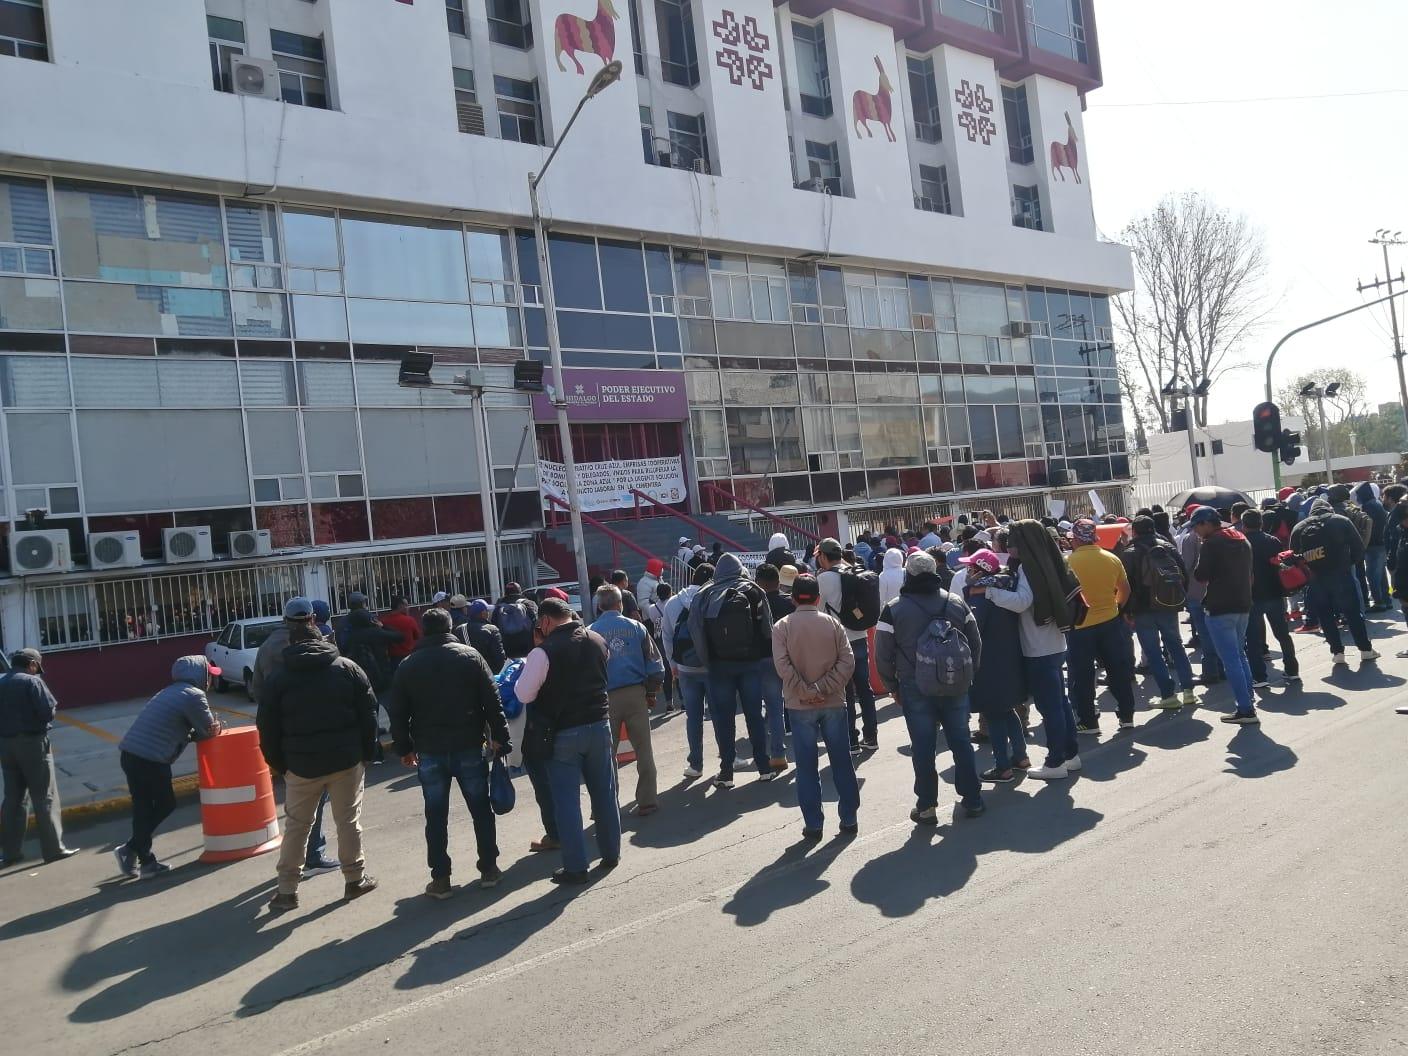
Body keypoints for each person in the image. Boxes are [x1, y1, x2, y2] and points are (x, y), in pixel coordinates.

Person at [388, 607, 510, 899]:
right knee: (480, 808)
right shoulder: (469, 657)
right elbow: (492, 699)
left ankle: (440, 878)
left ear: (425, 630)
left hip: (430, 750)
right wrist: (499, 738)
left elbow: (398, 712)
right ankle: (489, 868)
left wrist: (404, 748)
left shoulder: (409, 664)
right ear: (450, 627)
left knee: (436, 815)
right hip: (469, 743)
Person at [258, 622, 379, 911]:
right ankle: (354, 880)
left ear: (291, 644)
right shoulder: (347, 668)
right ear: (321, 638)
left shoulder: (279, 678)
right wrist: (366, 753)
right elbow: (369, 713)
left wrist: (279, 764)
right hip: (346, 761)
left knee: (297, 827)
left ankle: (287, 891)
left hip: (300, 765)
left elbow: (267, 727)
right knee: (348, 821)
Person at [513, 598, 620, 885]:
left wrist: (537, 650)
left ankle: (576, 867)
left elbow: (523, 694)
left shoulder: (543, 653)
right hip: (599, 725)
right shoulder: (597, 639)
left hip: (562, 734)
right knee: (605, 794)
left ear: (546, 621)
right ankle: (611, 854)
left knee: (566, 802)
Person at [876, 552, 985, 823]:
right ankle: (972, 799)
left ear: (908, 575)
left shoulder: (894, 608)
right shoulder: (957, 602)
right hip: (956, 684)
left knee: (923, 747)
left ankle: (927, 806)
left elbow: (882, 654)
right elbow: (976, 643)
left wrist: (892, 686)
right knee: (961, 742)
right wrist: (968, 675)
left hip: (915, 687)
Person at [985, 520, 1081, 780]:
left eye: (1013, 541)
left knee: (1050, 708)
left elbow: (1022, 602)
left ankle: (1055, 762)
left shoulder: (1029, 568)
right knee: (1060, 704)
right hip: (1055, 643)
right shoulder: (1053, 560)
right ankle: (1071, 755)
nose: (1009, 546)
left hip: (1038, 647)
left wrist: (991, 592)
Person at [252, 597, 339, 877]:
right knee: (318, 801)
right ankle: (312, 856)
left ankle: (296, 863)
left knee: (298, 804)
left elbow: (258, 691)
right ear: (312, 619)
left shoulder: (267, 647)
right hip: (317, 732)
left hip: (286, 735)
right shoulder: (318, 645)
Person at [115, 656, 223, 878]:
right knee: (166, 803)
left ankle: (144, 860)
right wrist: (216, 728)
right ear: (200, 675)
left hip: (131, 755)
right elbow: (207, 731)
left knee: (143, 808)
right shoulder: (194, 696)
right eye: (209, 675)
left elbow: (183, 729)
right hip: (151, 760)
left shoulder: (169, 691)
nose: (211, 680)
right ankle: (132, 848)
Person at [771, 574, 858, 839]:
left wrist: (806, 690)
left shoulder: (782, 627)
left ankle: (814, 823)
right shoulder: (833, 624)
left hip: (799, 705)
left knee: (807, 767)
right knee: (842, 760)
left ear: (794, 598)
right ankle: (849, 817)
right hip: (832, 701)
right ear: (818, 598)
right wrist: (824, 687)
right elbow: (847, 661)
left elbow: (782, 666)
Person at [688, 553, 774, 788]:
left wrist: (708, 661)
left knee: (724, 719)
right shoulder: (754, 590)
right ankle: (764, 767)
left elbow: (695, 630)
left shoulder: (704, 594)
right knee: (754, 716)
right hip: (750, 664)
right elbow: (768, 628)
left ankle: (726, 772)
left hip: (719, 666)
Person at [590, 585, 663, 815]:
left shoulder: (589, 633)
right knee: (644, 750)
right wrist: (651, 693)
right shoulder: (637, 627)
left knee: (605, 757)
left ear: (599, 606)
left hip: (604, 700)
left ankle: (607, 806)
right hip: (635, 694)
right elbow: (656, 666)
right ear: (620, 604)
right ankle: (647, 800)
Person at [0, 648, 75, 866]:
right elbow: (47, 712)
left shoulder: (2, 683)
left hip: (6, 746)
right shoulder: (33, 683)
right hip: (32, 743)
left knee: (13, 799)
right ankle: (54, 849)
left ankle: (10, 853)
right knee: (45, 796)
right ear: (32, 664)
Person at [959, 549, 1029, 782]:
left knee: (994, 714)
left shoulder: (981, 596)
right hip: (1009, 660)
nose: (966, 572)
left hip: (989, 664)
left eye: (970, 568)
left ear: (980, 571)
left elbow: (973, 631)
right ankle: (1020, 756)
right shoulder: (1006, 587)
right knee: (1007, 710)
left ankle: (1003, 766)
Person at [1187, 506, 1258, 725]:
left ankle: (1245, 709)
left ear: (1206, 523)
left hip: (1220, 607)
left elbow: (1200, 575)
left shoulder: (1211, 543)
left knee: (1231, 659)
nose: (1197, 531)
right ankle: (1248, 700)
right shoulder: (1241, 537)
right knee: (1239, 654)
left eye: (1197, 526)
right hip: (1243, 603)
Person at [1066, 518, 1137, 735]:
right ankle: (1126, 716)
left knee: (1083, 675)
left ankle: (1089, 721)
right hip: (1110, 621)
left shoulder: (1068, 562)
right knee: (1118, 669)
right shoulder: (1111, 558)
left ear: (1076, 539)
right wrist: (1116, 607)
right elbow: (1124, 589)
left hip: (1080, 626)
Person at [1291, 496, 1379, 666]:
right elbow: (1359, 548)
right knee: (1353, 613)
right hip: (1341, 575)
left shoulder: (1299, 527)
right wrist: (1347, 564)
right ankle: (1365, 650)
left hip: (1315, 579)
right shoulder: (1340, 521)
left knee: (1325, 616)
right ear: (1329, 509)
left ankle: (1337, 652)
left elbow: (1293, 556)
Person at [1120, 517, 1197, 709]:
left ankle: (1168, 694)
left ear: (1134, 532)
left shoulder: (1129, 552)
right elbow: (1183, 575)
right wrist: (1177, 598)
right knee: (1176, 646)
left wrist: (1126, 610)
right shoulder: (1167, 547)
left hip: (1142, 609)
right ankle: (1188, 691)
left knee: (1153, 652)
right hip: (1168, 606)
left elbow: (1125, 585)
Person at [815, 537, 878, 754]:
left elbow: (818, 611)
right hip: (860, 636)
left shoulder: (823, 580)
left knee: (846, 692)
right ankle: (872, 736)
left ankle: (852, 741)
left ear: (823, 556)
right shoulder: (855, 572)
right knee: (865, 688)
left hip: (838, 641)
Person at [662, 563, 714, 778]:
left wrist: (673, 665)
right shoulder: (712, 598)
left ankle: (696, 764)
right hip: (711, 666)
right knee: (720, 713)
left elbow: (666, 636)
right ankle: (728, 759)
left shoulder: (673, 603)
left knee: (693, 717)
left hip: (684, 667)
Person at [1240, 509, 1300, 688]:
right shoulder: (1272, 541)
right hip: (1275, 592)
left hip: (1253, 595)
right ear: (1261, 523)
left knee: (1252, 638)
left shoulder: (1242, 542)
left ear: (1244, 524)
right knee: (1283, 634)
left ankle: (1259, 676)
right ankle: (1292, 670)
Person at [754, 563, 795, 776]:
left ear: (758, 582)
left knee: (773, 707)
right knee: (795, 704)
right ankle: (789, 750)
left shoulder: (754, 603)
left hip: (764, 659)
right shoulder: (789, 602)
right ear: (778, 581)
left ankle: (776, 753)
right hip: (789, 659)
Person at [1178, 517, 1221, 680]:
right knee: (1215, 632)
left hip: (1196, 591)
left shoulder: (1191, 538)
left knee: (1205, 632)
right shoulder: (1221, 538)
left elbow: (1186, 565)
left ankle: (1210, 671)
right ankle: (1219, 668)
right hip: (1214, 591)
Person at [1356, 482, 1392, 612]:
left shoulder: (1368, 506)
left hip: (1373, 545)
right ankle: (1386, 600)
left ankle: (1379, 602)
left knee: (1372, 575)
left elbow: (1367, 527)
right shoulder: (1376, 503)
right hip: (1380, 544)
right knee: (1381, 575)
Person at [644, 582, 675, 711]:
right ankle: (684, 701)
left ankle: (669, 702)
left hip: (660, 641)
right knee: (678, 671)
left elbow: (651, 621)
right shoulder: (673, 604)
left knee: (667, 673)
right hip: (673, 639)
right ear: (670, 592)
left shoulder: (652, 608)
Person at [458, 599, 507, 674]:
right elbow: (499, 658)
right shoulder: (491, 630)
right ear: (483, 613)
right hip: (489, 674)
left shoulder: (459, 629)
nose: (488, 613)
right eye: (487, 611)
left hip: (467, 674)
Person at [492, 583, 539, 660]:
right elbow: (537, 624)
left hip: (507, 649)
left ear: (505, 593)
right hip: (527, 647)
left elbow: (494, 627)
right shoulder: (529, 604)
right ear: (520, 591)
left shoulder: (498, 607)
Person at [380, 595, 421, 676]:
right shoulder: (409, 620)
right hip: (409, 657)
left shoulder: (383, 621)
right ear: (400, 606)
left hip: (392, 659)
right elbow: (417, 636)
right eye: (406, 605)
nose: (408, 607)